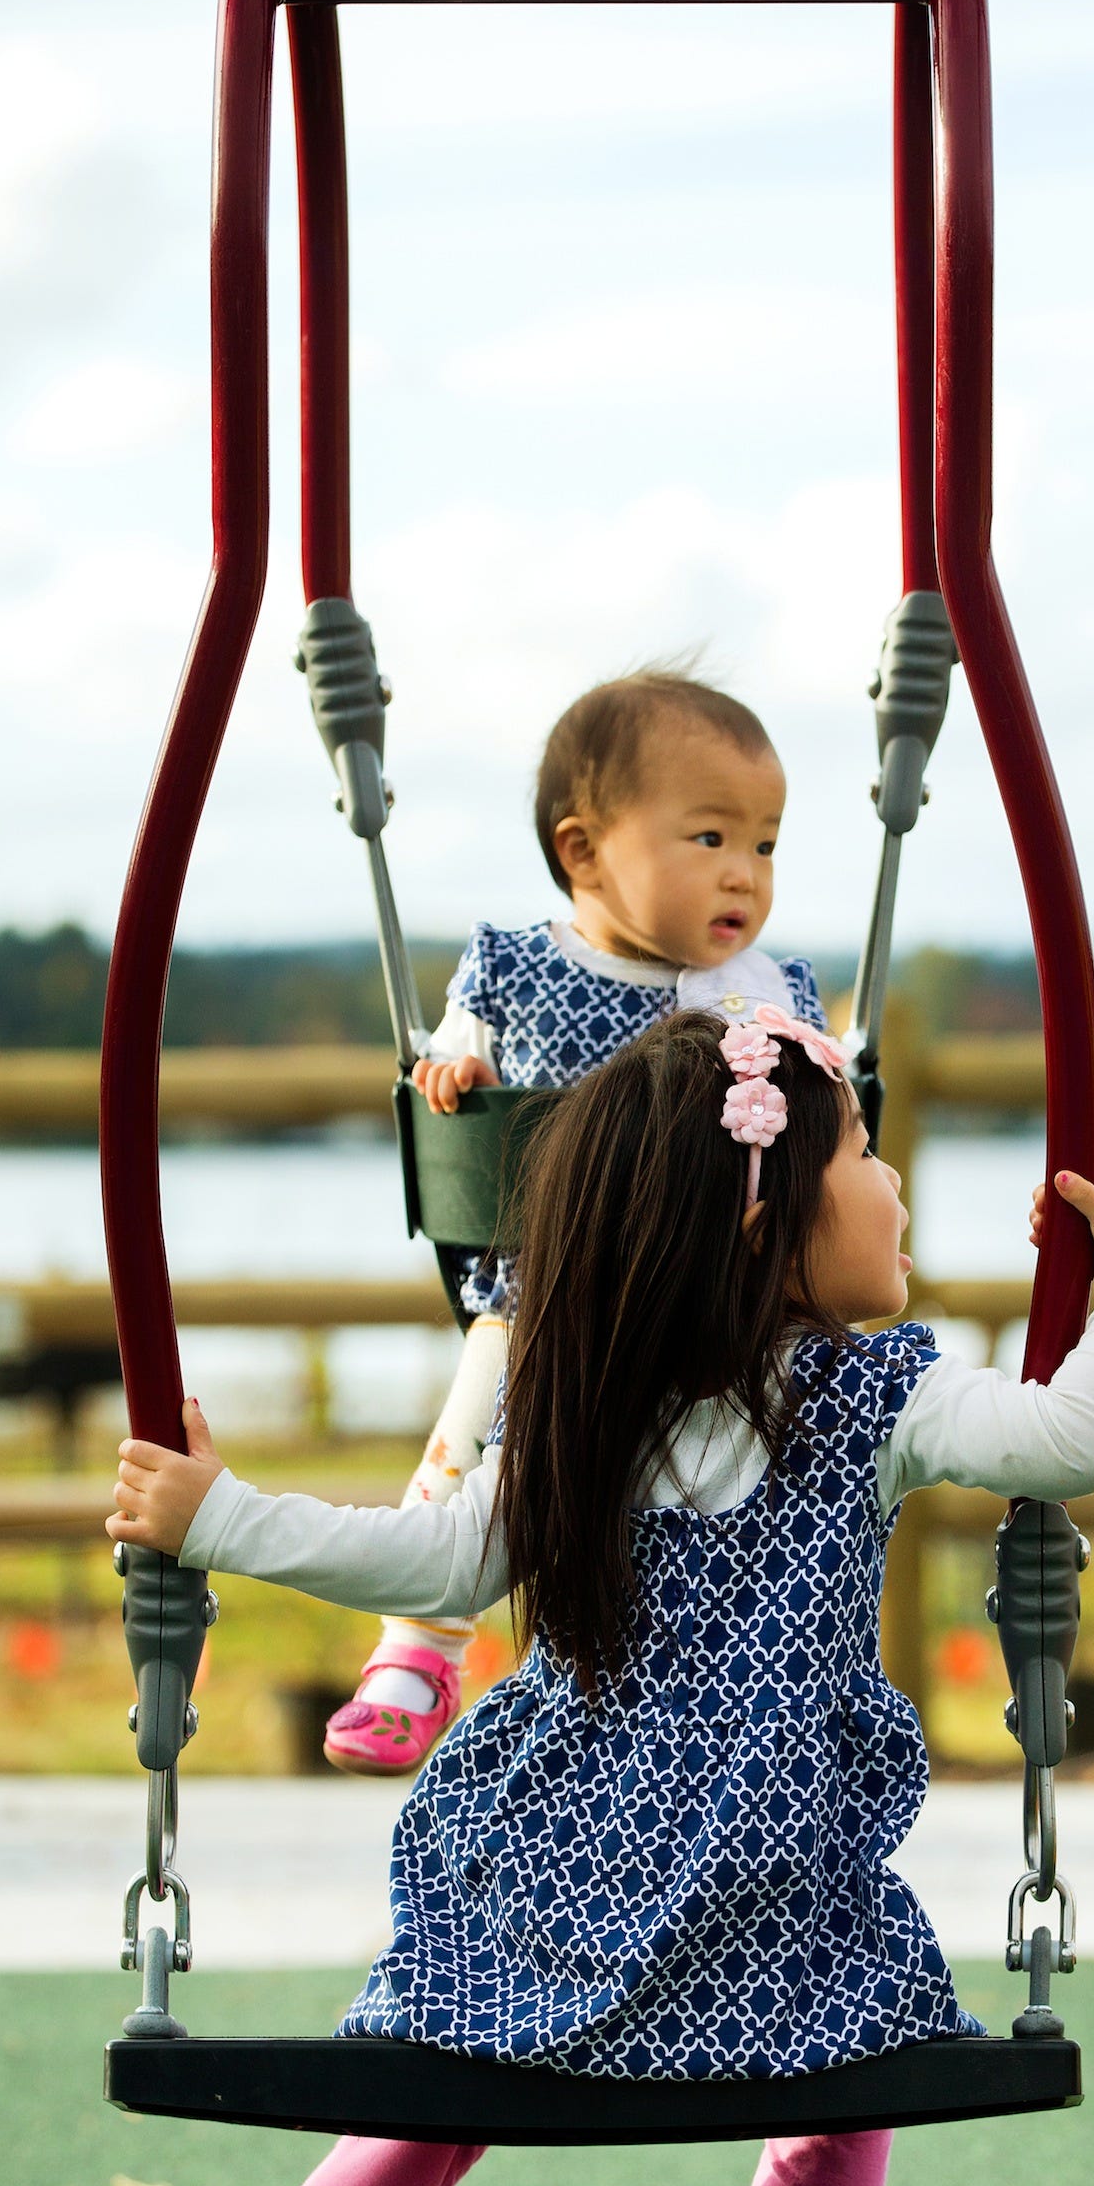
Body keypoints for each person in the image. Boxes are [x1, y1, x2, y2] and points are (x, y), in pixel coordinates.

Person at [60, 1005, 1094, 2186]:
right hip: (777, 1898)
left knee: (414, 2111)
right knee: (845, 2094)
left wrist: (222, 1514)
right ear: (762, 1221)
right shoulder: (876, 1397)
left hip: (550, 1877)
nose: (897, 1176)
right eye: (861, 1151)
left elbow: (431, 1559)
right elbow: (1078, 1436)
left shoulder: (587, 1407)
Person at [324, 663, 827, 1775]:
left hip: (713, 1308)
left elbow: (820, 1117)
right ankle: (415, 1647)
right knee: (466, 1446)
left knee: (766, 1477)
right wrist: (453, 1067)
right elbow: (458, 1058)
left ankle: (747, 1680)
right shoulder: (514, 968)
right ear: (583, 851)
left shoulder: (770, 989)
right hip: (543, 1294)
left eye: (765, 843)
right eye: (709, 839)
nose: (744, 871)